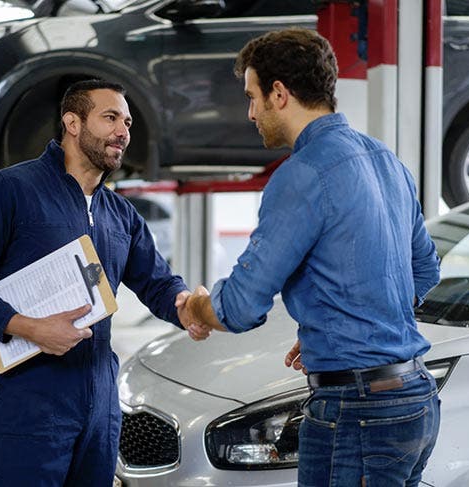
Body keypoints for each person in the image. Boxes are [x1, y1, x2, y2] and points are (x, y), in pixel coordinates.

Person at [179, 28, 441, 486]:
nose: (250, 113)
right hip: (415, 400)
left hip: (358, 412)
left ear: (279, 94)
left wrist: (196, 305)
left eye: (253, 97)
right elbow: (425, 271)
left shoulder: (302, 174)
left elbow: (240, 307)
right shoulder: (386, 161)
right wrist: (347, 325)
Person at [0, 79, 208, 486]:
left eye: (128, 122)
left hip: (99, 403)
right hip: (31, 400)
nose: (123, 132)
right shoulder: (10, 190)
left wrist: (187, 305)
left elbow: (158, 283)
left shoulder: (121, 214)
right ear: (72, 123)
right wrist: (29, 328)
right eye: (110, 117)